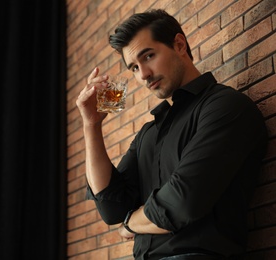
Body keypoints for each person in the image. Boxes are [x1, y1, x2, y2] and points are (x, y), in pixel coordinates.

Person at [76, 9, 268, 260]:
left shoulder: (225, 106)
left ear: (179, 44)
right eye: (134, 67)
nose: (143, 75)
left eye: (149, 56)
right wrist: (91, 125)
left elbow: (181, 203)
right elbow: (112, 208)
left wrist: (130, 224)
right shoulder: (149, 133)